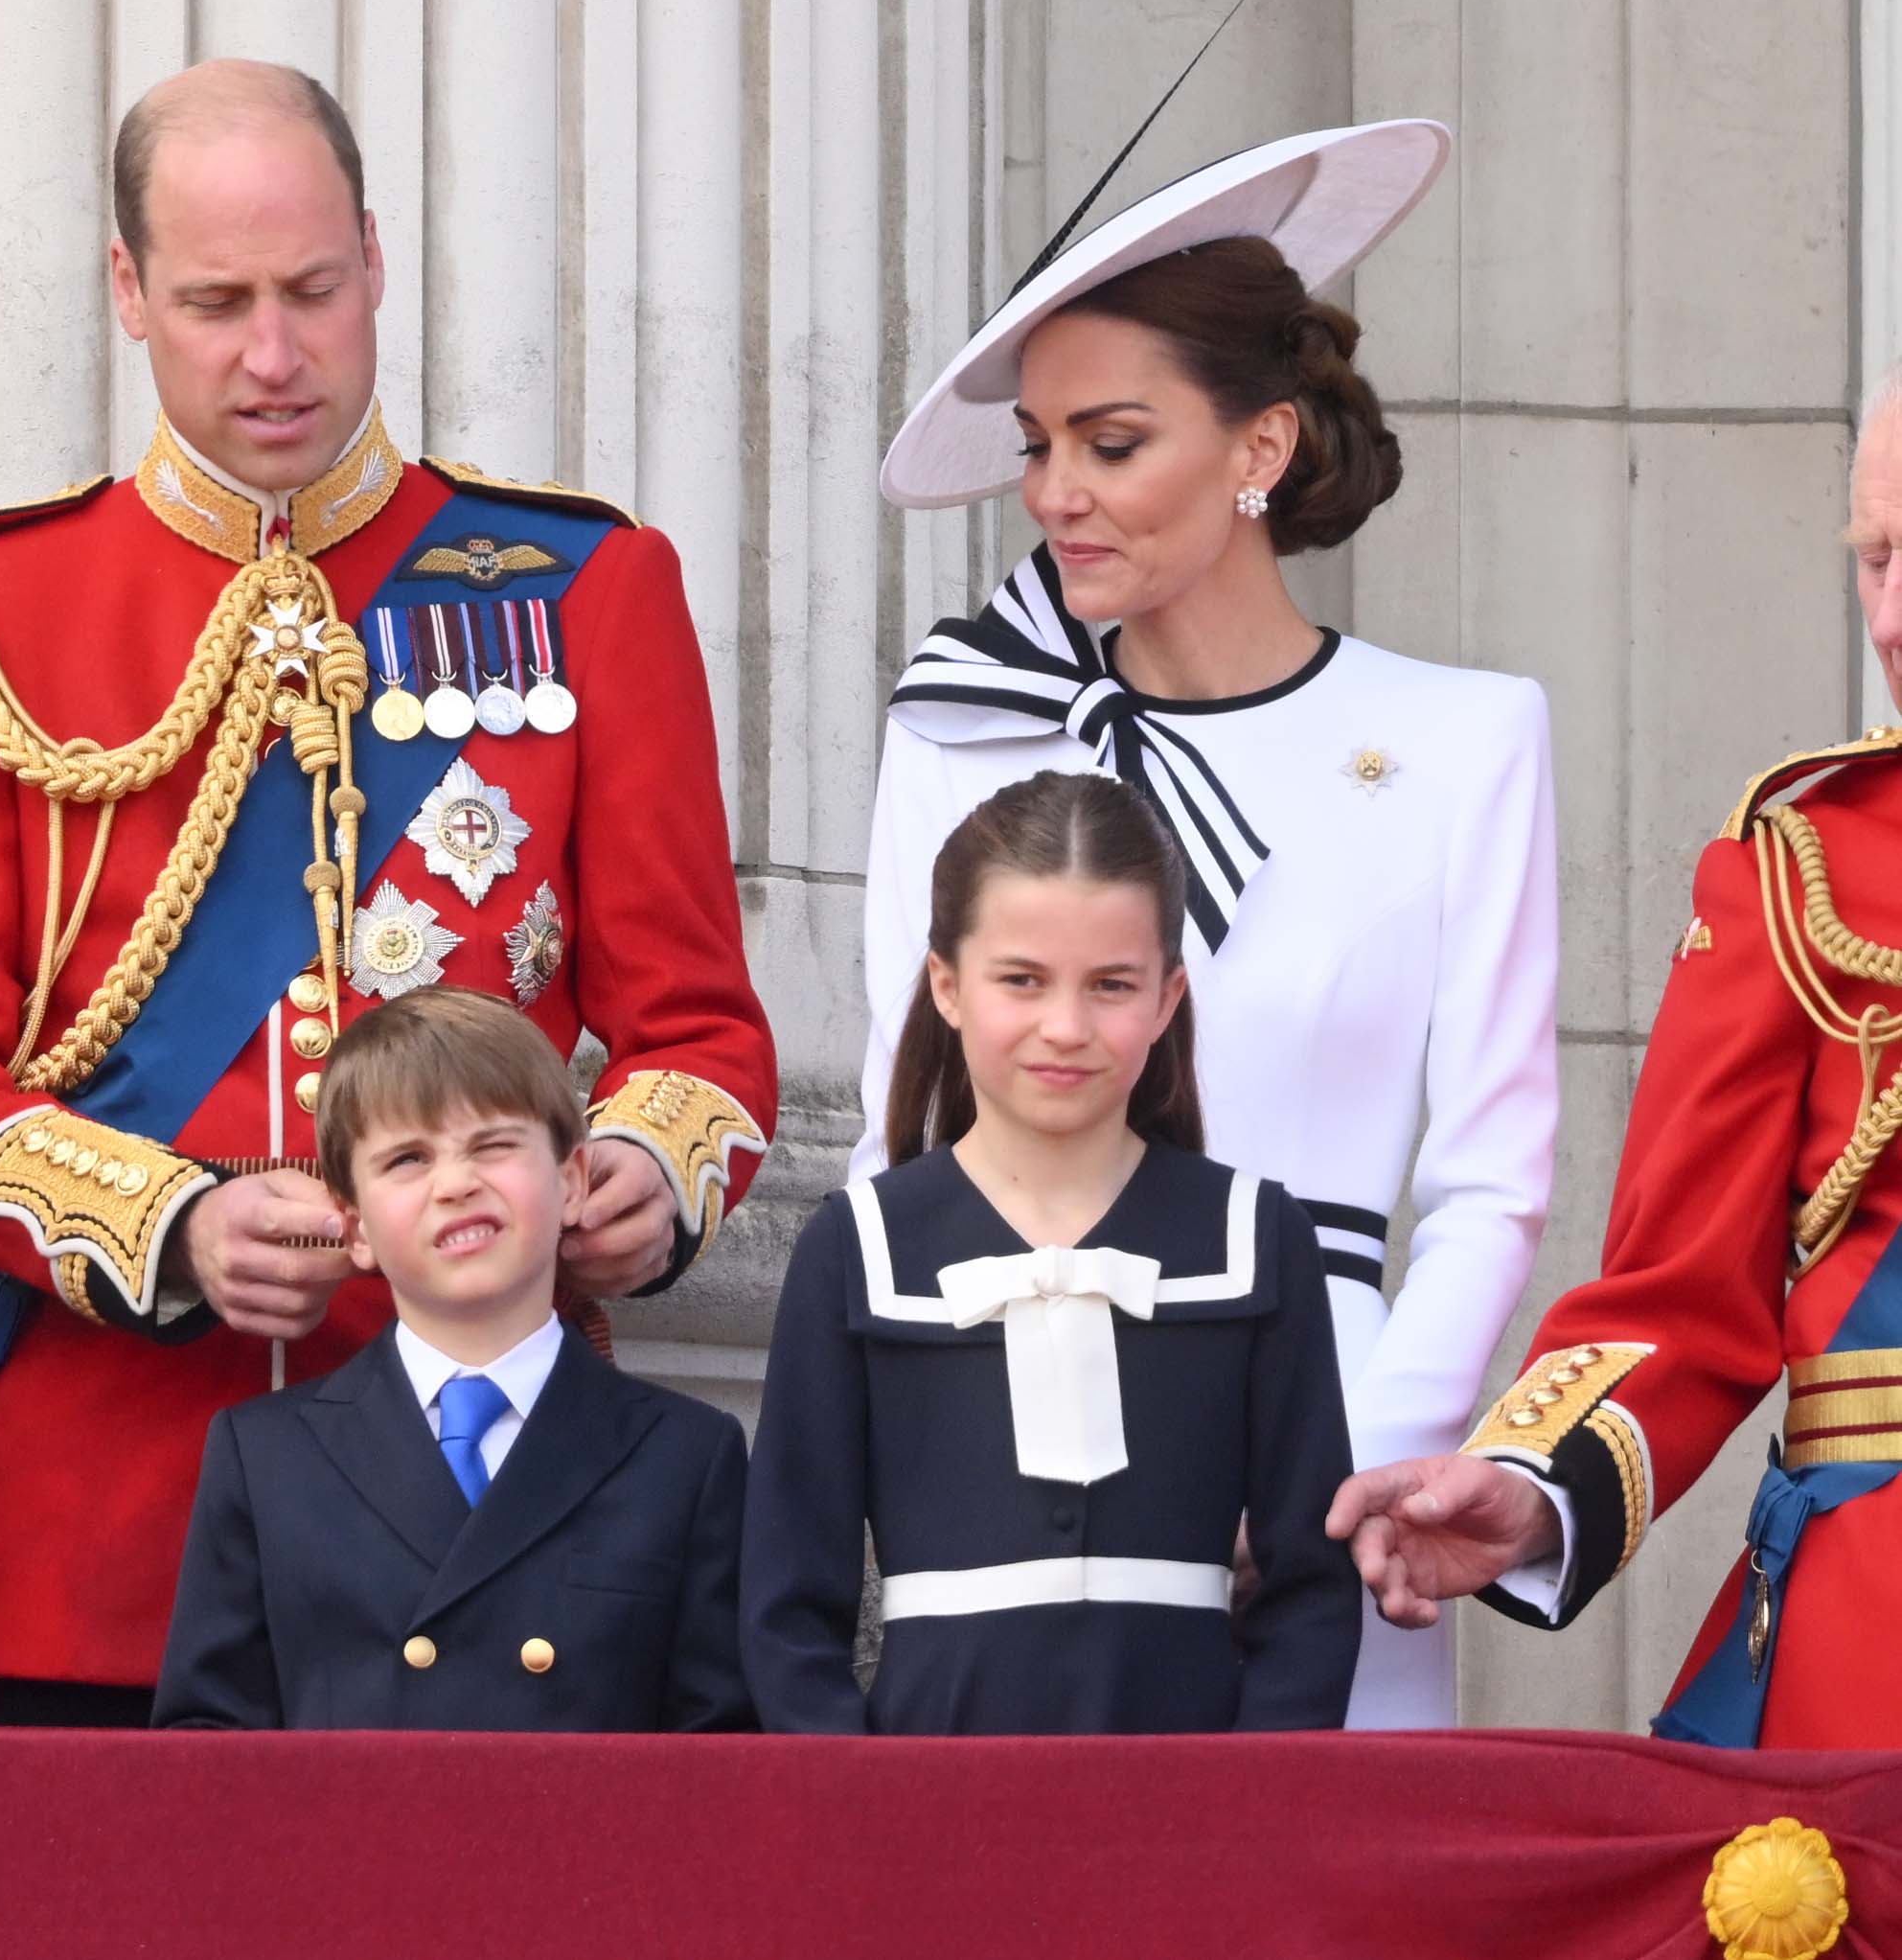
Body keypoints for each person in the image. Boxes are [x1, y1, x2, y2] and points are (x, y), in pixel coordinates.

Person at [0, 59, 776, 1724]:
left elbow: (693, 1025)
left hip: (507, 1528)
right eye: (215, 302)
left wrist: (638, 1169)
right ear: (127, 292)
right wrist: (167, 1221)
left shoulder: (584, 590)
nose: (273, 355)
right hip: (118, 1520)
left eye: (312, 291)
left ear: (376, 259)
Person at [856, 121, 1556, 1728]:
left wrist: (1345, 1472)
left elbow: (1490, 1176)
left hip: (1335, 1434)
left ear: (1257, 450)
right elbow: (900, 1147)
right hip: (1021, 1426)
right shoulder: (962, 731)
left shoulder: (1466, 740)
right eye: (1037, 446)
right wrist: (979, 1449)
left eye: (1109, 443)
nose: (1053, 494)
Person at [1326, 386, 1902, 1750]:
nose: (1888, 618)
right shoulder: (1806, 863)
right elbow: (1677, 1289)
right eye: (1874, 554)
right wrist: (1530, 1482)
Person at [746, 771, 1357, 1733]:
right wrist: (858, 1809)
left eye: (1111, 986)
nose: (1065, 1028)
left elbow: (1311, 1592)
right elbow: (786, 1608)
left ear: (1166, 998)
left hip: (1195, 1812)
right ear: (946, 985)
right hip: (927, 1809)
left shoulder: (1254, 1235)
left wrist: (1252, 1811)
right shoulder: (855, 1248)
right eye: (1021, 980)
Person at [151, 989, 750, 1730]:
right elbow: (207, 1751)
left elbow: (719, 1762)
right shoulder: (265, 1455)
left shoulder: (686, 1456)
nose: (456, 1182)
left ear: (571, 1179)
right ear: (354, 1227)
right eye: (407, 1158)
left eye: (492, 1145)